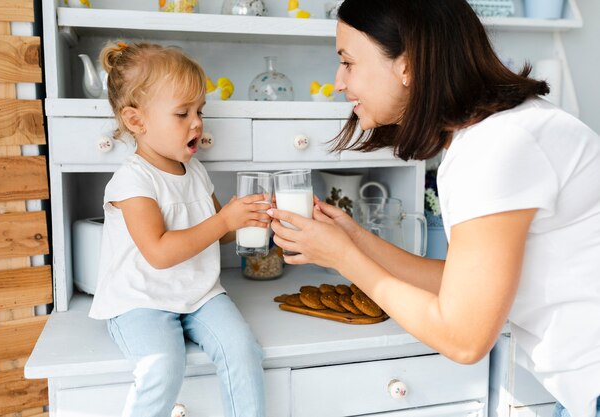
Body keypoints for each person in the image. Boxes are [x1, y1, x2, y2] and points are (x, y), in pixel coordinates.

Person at [267, 1, 600, 416]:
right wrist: (356, 240)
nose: (338, 81)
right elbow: (462, 286)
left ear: (407, 66)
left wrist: (346, 259)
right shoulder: (495, 134)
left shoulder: (499, 148)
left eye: (348, 62)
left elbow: (463, 339)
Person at [88, 41, 268, 417]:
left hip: (198, 294)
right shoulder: (132, 180)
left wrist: (249, 216)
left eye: (199, 110)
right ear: (137, 121)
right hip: (141, 301)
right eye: (182, 113)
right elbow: (160, 252)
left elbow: (221, 231)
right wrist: (224, 220)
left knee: (243, 349)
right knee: (162, 366)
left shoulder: (196, 171)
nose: (197, 122)